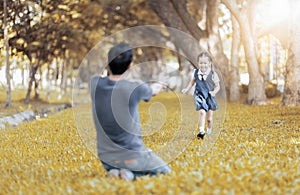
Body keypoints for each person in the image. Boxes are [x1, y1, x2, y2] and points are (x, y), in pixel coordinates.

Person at [90, 42, 171, 181]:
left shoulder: (94, 83)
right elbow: (153, 91)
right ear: (130, 66)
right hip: (132, 157)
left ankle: (116, 171)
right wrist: (159, 84)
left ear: (108, 64)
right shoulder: (134, 88)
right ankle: (129, 173)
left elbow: (105, 79)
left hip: (106, 158)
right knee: (165, 171)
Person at [182, 51, 220, 139]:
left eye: (205, 63)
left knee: (209, 119)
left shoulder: (213, 74)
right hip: (200, 96)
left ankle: (209, 129)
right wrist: (187, 89)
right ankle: (201, 131)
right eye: (201, 63)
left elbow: (218, 86)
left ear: (209, 63)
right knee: (202, 112)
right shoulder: (196, 73)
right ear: (198, 63)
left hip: (210, 97)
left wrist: (214, 92)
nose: (203, 65)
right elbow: (192, 82)